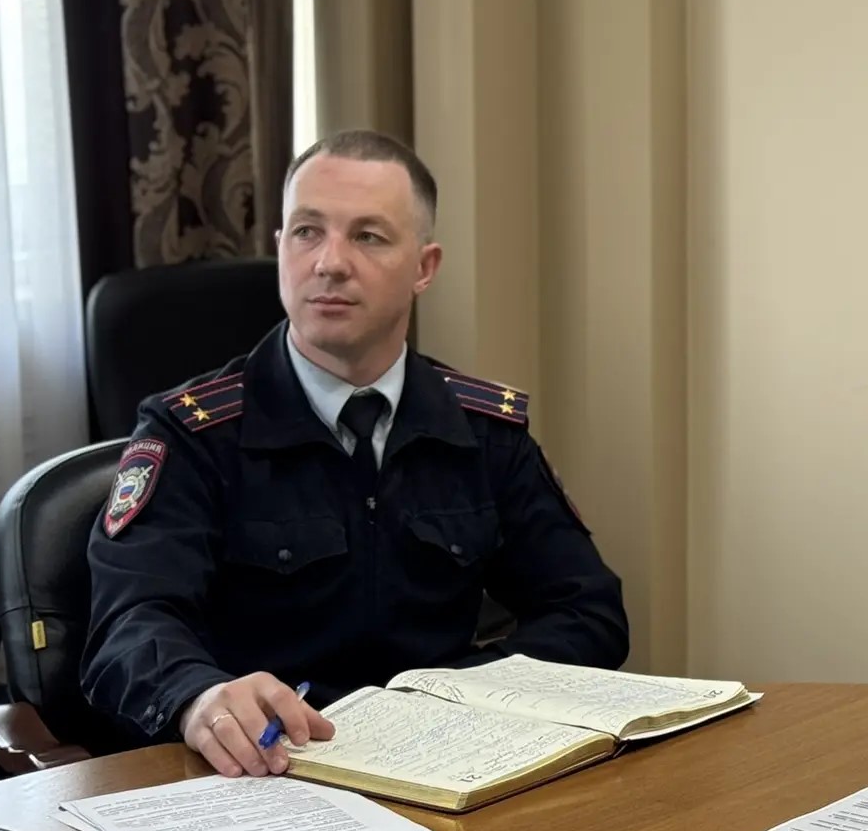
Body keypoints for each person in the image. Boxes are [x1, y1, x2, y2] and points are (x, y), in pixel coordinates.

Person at [81, 130, 629, 778]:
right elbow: (129, 623)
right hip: (268, 770)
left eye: (368, 236)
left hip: (453, 763)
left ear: (424, 267)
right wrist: (199, 697)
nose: (330, 263)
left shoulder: (482, 430)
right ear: (280, 247)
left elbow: (587, 611)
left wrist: (465, 694)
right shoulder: (194, 433)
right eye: (307, 232)